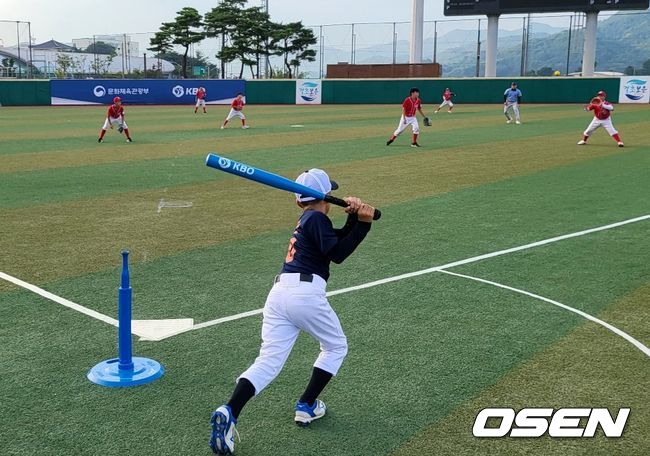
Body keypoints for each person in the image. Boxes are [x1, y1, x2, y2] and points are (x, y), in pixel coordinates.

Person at [209, 169, 376, 455]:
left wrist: (354, 218)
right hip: (304, 294)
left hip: (280, 295)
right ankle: (306, 405)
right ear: (324, 198)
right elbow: (337, 254)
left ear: (299, 201)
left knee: (268, 361)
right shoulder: (316, 218)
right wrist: (362, 225)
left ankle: (230, 410)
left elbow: (332, 243)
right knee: (336, 346)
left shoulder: (308, 219)